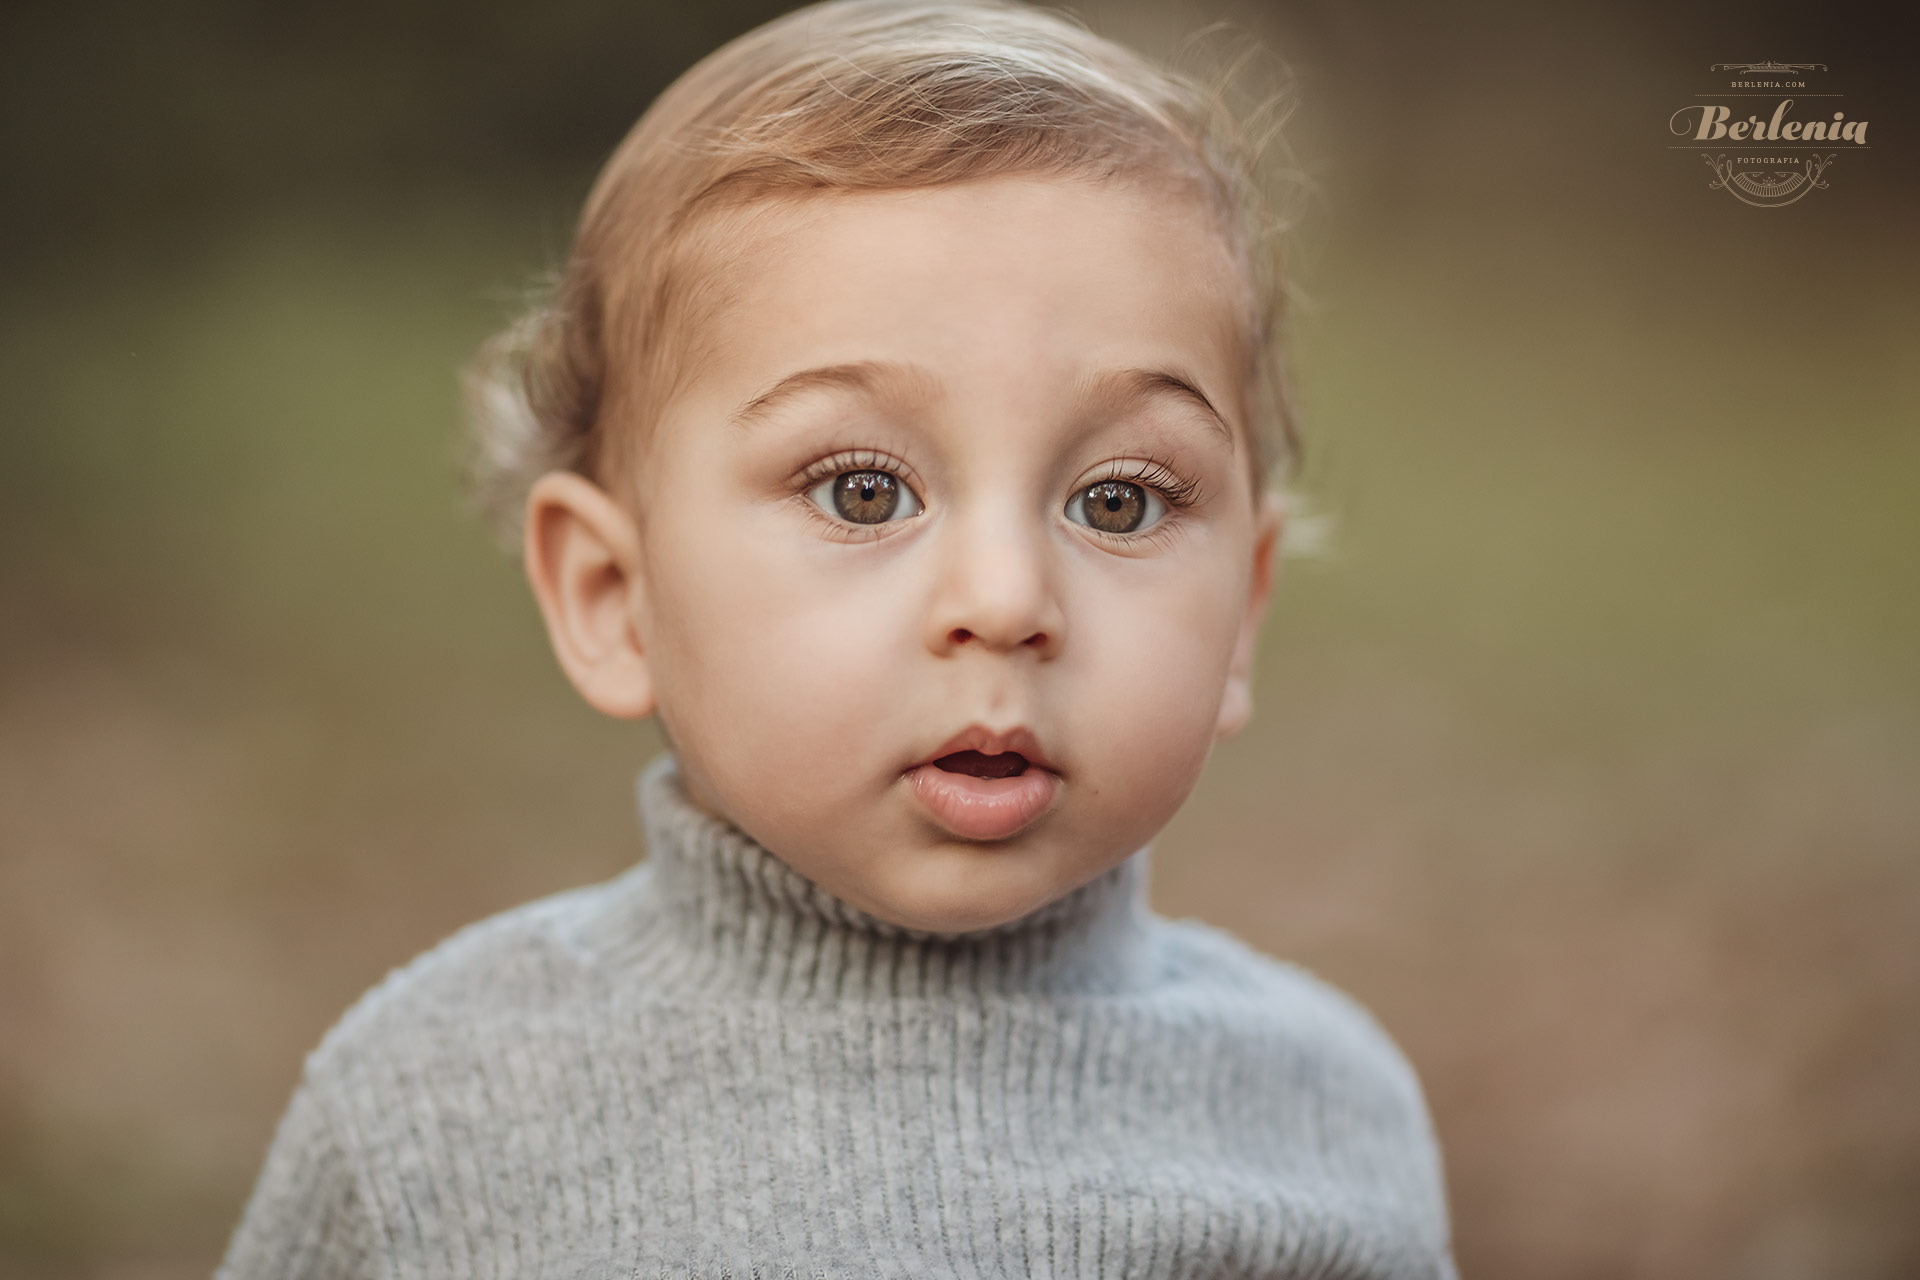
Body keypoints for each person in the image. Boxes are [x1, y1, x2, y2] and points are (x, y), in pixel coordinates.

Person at [216, 0, 1458, 1274]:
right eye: (863, 490)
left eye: (1119, 500)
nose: (1007, 597)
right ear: (609, 593)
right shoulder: (439, 1111)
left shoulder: (1326, 1116)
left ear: (1244, 614)